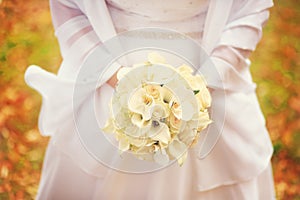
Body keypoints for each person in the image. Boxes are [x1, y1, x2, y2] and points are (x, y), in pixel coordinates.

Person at [25, 0, 276, 199]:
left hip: (210, 81)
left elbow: (249, 8)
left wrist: (206, 82)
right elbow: (69, 7)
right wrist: (119, 79)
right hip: (110, 83)